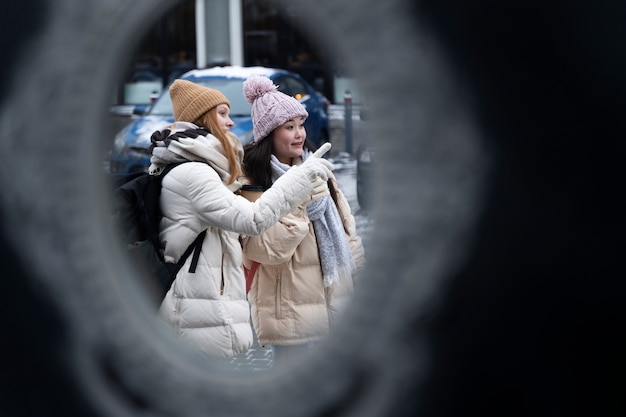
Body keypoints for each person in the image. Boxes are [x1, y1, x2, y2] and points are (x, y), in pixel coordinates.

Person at [149, 79, 334, 358]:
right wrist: (301, 180)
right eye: (222, 114)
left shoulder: (200, 169)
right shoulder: (194, 174)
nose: (231, 122)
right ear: (204, 119)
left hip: (199, 300)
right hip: (192, 303)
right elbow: (253, 220)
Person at [241, 75, 366, 368]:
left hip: (334, 299)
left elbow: (347, 231)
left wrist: (359, 277)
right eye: (288, 127)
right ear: (269, 134)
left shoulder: (317, 168)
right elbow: (264, 250)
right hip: (289, 311)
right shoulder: (252, 181)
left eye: (300, 125)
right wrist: (299, 198)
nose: (299, 134)